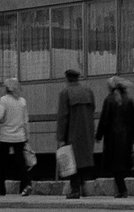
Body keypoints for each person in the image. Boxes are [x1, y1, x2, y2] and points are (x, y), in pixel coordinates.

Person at [55, 69, 95, 200]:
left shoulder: (65, 93)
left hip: (72, 131)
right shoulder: (88, 91)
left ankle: (75, 189)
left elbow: (62, 116)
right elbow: (93, 108)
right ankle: (84, 186)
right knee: (83, 159)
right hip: (87, 130)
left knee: (72, 161)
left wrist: (60, 137)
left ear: (67, 79)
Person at [95, 76, 134, 198]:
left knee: (115, 164)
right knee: (121, 163)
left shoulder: (109, 100)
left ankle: (122, 190)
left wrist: (99, 135)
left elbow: (104, 120)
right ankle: (121, 189)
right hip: (126, 137)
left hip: (112, 138)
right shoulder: (129, 99)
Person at [0, 78, 30, 197]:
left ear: (7, 88)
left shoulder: (4, 100)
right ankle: (25, 186)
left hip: (6, 136)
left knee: (1, 163)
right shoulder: (22, 101)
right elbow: (26, 121)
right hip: (20, 136)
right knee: (21, 163)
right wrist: (27, 137)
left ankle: (1, 188)